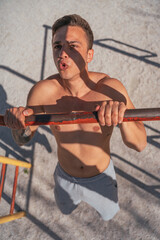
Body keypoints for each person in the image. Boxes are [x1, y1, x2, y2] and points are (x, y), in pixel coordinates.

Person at [4, 14, 147, 221]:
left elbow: (140, 144)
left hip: (102, 177)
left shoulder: (111, 89)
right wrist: (17, 126)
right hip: (65, 176)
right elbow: (23, 139)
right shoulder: (42, 92)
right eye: (57, 46)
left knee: (108, 215)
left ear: (89, 55)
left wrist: (121, 116)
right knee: (66, 210)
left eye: (73, 46)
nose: (62, 53)